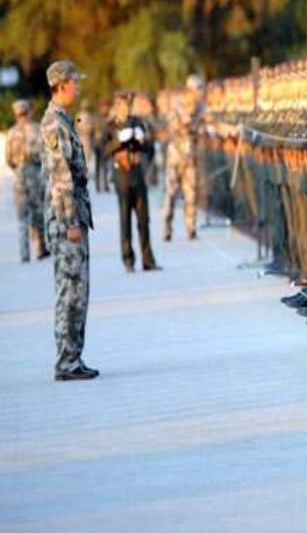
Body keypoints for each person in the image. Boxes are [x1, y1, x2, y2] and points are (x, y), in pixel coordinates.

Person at [41, 60, 98, 381]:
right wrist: (71, 222)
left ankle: (75, 357)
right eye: (75, 82)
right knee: (69, 290)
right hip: (66, 221)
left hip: (75, 213)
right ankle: (65, 362)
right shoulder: (54, 124)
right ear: (61, 85)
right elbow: (60, 178)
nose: (78, 87)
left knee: (80, 289)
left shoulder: (63, 120)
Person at [106, 91, 161, 273]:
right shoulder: (111, 125)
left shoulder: (138, 122)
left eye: (129, 105)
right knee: (125, 220)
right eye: (122, 105)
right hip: (122, 176)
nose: (126, 109)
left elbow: (150, 148)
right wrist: (117, 141)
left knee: (144, 220)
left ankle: (148, 260)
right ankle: (128, 260)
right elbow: (103, 149)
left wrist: (142, 140)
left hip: (138, 173)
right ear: (116, 107)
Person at [4, 99, 49, 262]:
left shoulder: (11, 133)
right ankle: (41, 249)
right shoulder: (37, 129)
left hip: (19, 178)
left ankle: (24, 254)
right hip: (35, 175)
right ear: (28, 111)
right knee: (38, 214)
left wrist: (17, 168)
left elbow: (8, 158)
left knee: (22, 217)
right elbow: (45, 153)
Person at [163, 74, 205, 241]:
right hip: (175, 156)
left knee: (192, 193)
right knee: (171, 193)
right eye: (199, 89)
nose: (201, 92)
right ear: (190, 90)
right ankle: (167, 228)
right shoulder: (177, 106)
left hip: (191, 157)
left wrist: (231, 129)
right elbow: (173, 129)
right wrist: (189, 121)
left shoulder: (201, 108)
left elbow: (211, 121)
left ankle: (191, 228)